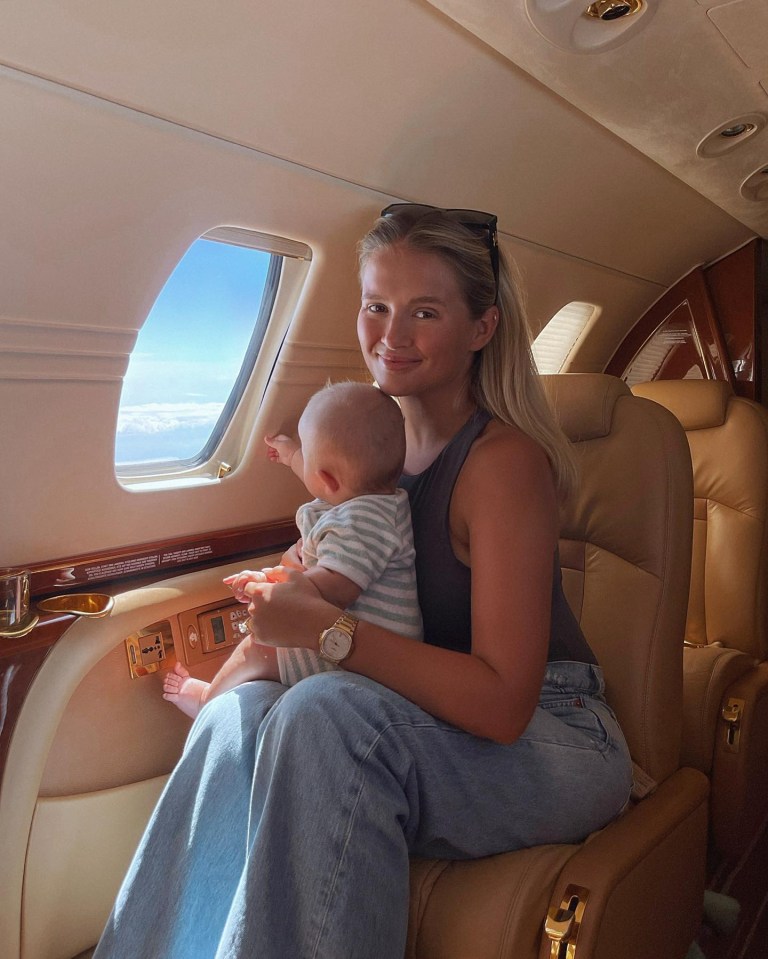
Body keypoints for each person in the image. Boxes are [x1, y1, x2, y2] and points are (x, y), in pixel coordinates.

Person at [93, 203, 632, 959]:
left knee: (321, 714)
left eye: (425, 311)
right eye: (376, 306)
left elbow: (505, 703)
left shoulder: (503, 465)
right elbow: (320, 598)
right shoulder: (366, 454)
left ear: (482, 327)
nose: (391, 334)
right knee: (233, 717)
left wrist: (325, 632)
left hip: (558, 727)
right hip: (418, 709)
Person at [161, 380, 422, 715]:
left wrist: (271, 585)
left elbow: (334, 589)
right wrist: (294, 455)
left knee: (258, 647)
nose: (304, 463)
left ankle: (206, 700)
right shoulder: (374, 500)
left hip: (365, 664)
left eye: (306, 454)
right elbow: (327, 479)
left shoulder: (360, 522)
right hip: (359, 645)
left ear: (327, 479)